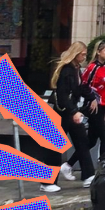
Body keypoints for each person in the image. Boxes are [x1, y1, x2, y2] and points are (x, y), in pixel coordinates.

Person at [41, 42, 95, 192]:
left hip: (71, 112)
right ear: (76, 53)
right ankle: (46, 182)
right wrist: (74, 112)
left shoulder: (76, 69)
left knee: (82, 141)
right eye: (83, 54)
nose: (84, 57)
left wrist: (91, 97)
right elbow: (63, 95)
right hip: (62, 112)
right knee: (55, 146)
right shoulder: (66, 70)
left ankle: (88, 175)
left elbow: (79, 89)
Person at [82, 41, 105, 158]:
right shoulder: (92, 68)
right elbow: (83, 86)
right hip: (93, 107)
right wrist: (91, 98)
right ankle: (104, 167)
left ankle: (68, 165)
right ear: (98, 52)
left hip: (102, 107)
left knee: (91, 141)